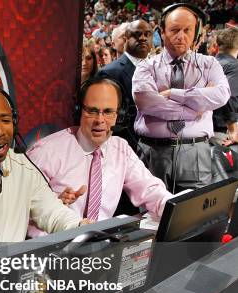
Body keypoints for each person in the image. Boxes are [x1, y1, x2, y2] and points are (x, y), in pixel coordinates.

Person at [0, 85, 86, 242]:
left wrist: (79, 227)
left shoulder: (22, 164)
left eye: (5, 120)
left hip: (11, 266)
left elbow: (51, 212)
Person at [27, 79, 172, 224]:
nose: (100, 120)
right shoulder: (46, 152)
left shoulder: (120, 149)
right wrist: (50, 207)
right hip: (50, 242)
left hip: (98, 242)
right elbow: (17, 208)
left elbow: (150, 190)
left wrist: (174, 208)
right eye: (92, 111)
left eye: (108, 112)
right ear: (79, 111)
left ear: (119, 115)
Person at [132, 3, 231, 192]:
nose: (181, 36)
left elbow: (222, 95)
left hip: (195, 151)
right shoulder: (146, 66)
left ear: (197, 33)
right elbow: (147, 103)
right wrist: (196, 108)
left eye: (187, 30)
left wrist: (175, 94)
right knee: (150, 216)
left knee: (193, 215)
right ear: (162, 32)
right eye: (174, 30)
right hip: (152, 150)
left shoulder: (210, 64)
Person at [96, 19, 153, 152]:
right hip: (123, 151)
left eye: (147, 34)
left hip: (157, 152)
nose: (143, 38)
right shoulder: (109, 72)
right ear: (126, 38)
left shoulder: (160, 70)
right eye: (137, 34)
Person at [210, 27, 238, 146]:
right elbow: (228, 96)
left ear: (217, 44)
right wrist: (232, 129)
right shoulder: (235, 67)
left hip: (202, 130)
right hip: (221, 133)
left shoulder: (208, 63)